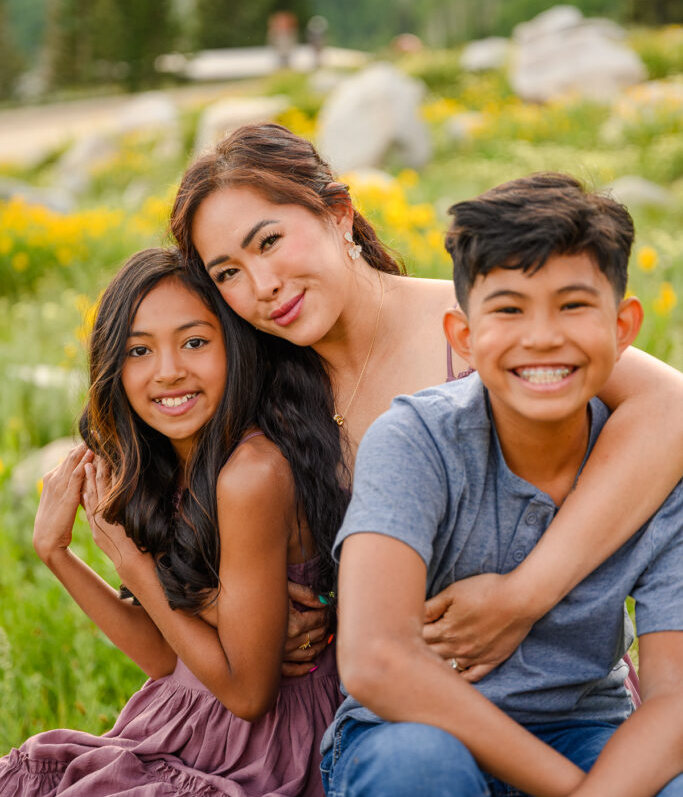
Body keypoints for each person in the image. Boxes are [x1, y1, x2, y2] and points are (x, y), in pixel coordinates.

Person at [170, 123, 683, 678]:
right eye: (228, 273)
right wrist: (223, 604)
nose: (262, 285)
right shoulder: (260, 388)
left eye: (268, 242)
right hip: (385, 705)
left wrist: (523, 595)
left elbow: (670, 407)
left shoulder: (472, 330)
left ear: (338, 213)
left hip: (555, 691)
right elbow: (165, 502)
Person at [319, 173, 683, 797]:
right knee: (417, 773)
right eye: (508, 310)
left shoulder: (658, 469)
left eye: (573, 305)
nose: (541, 338)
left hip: (585, 732)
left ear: (622, 327)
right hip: (409, 740)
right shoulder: (417, 439)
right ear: (462, 333)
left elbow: (674, 700)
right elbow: (375, 660)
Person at [0, 248, 353, 797]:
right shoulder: (170, 462)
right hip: (183, 723)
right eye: (139, 351)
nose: (167, 372)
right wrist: (55, 555)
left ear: (237, 347)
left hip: (259, 754)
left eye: (194, 342)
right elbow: (168, 658)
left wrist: (136, 566)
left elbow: (247, 693)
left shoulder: (252, 473)